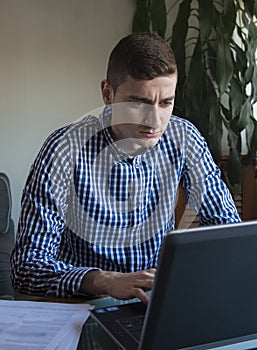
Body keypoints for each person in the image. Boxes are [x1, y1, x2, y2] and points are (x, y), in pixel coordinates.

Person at [10, 33, 241, 304]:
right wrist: (104, 281)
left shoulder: (184, 138)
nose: (155, 121)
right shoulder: (64, 149)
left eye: (166, 102)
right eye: (138, 103)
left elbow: (227, 233)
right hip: (86, 304)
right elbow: (27, 267)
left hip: (159, 301)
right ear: (108, 93)